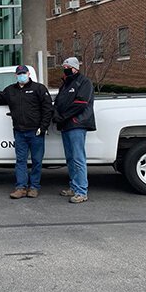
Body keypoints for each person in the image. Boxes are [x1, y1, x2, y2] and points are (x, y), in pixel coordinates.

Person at [0, 65, 53, 199]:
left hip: (35, 132)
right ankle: (21, 188)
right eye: (19, 74)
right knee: (21, 161)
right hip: (19, 132)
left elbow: (48, 109)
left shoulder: (39, 89)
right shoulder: (10, 90)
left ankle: (34, 187)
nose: (21, 76)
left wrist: (43, 127)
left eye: (23, 73)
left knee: (37, 161)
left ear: (28, 74)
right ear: (16, 75)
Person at [53, 57, 96, 204]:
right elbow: (59, 102)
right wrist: (56, 114)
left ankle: (81, 191)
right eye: (64, 67)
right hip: (66, 126)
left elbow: (81, 103)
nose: (64, 69)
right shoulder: (65, 84)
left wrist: (63, 116)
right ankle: (74, 186)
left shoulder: (84, 82)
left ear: (74, 68)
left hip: (77, 125)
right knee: (70, 159)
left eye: (67, 67)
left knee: (78, 159)